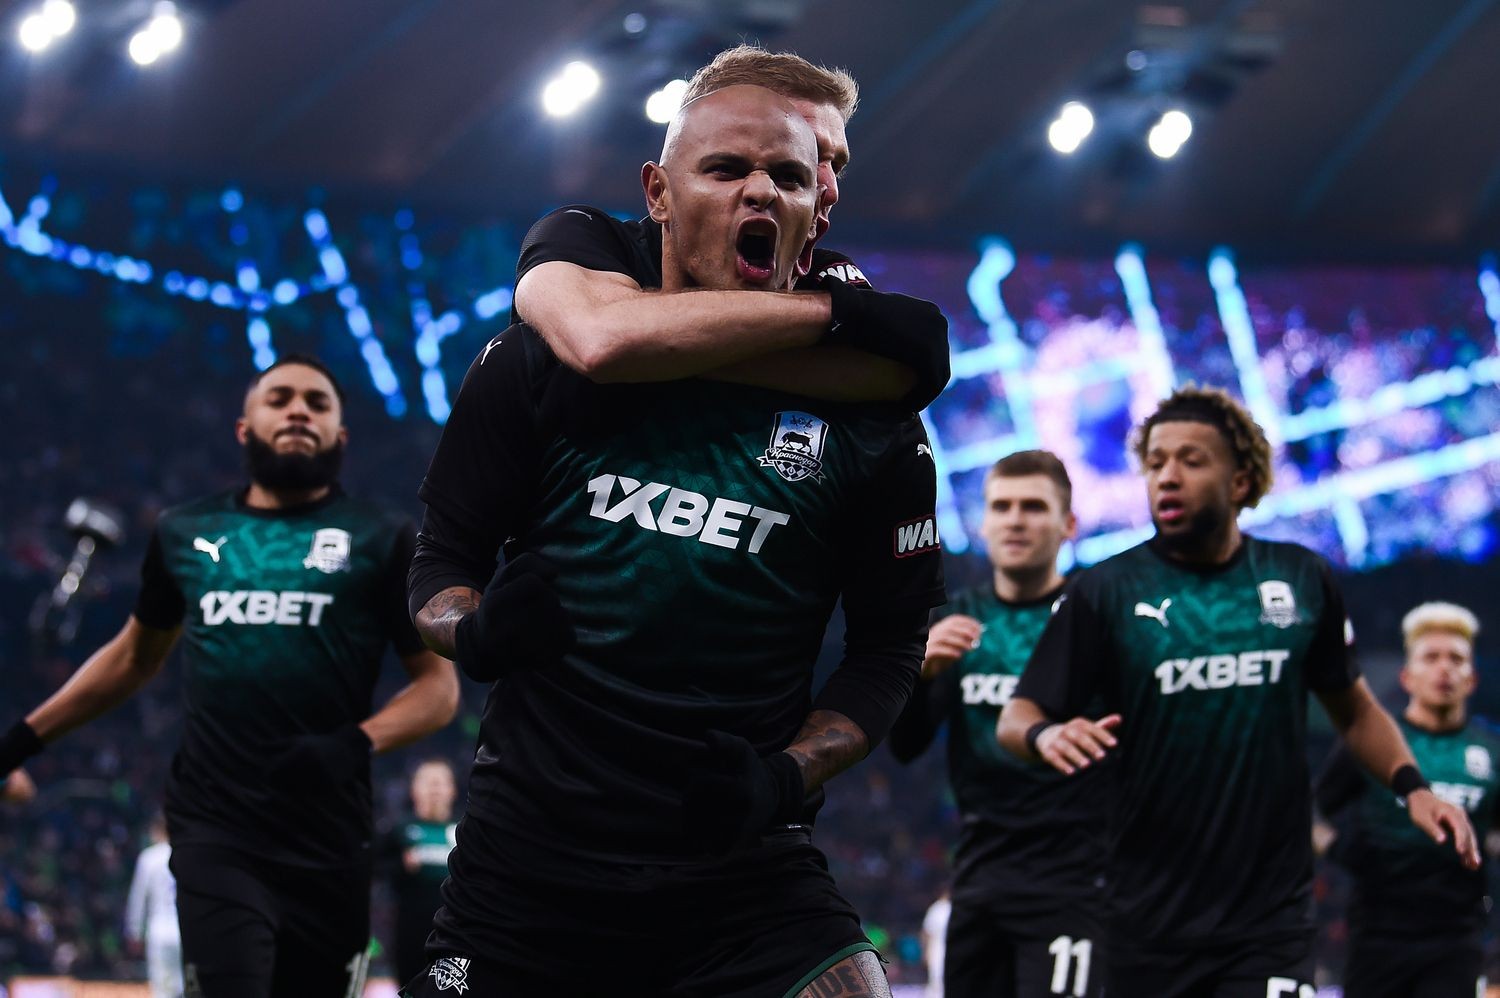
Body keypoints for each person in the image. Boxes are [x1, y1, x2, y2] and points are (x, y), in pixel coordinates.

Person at [403, 84, 944, 997]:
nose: (760, 191)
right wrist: (475, 630)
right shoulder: (542, 353)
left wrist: (785, 776)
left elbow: (891, 648)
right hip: (528, 868)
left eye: (789, 177)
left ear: (818, 211)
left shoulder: (873, 418)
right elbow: (440, 565)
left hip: (747, 874)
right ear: (657, 192)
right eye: (726, 169)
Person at [0, 355, 460, 998]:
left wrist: (354, 743)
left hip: (329, 839)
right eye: (280, 398)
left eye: (317, 403)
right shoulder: (185, 531)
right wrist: (18, 743)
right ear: (244, 428)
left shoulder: (381, 537)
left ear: (341, 436)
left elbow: (439, 689)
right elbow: (132, 658)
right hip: (215, 826)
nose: (298, 410)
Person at [997, 385, 1478, 998]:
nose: (1168, 477)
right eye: (1156, 463)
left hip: (1268, 922)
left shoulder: (1300, 578)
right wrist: (1046, 734)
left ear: (1241, 481)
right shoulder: (1105, 590)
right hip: (1142, 919)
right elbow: (1017, 716)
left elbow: (1354, 709)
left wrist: (1414, 788)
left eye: (1191, 460)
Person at [512, 44, 950, 410]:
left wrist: (657, 346)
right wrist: (830, 319)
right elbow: (601, 340)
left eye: (835, 165)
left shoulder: (824, 274)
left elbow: (915, 354)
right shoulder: (586, 238)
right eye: (809, 153)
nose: (829, 188)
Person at [891, 450, 1103, 998]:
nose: (1014, 520)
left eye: (1033, 506)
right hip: (980, 876)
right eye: (1001, 507)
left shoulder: (1099, 619)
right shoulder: (956, 621)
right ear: (983, 523)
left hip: (1076, 880)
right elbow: (906, 746)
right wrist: (919, 675)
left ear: (1069, 524)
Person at [1316, 601, 1500, 998]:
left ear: (1472, 678)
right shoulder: (1376, 745)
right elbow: (1314, 813)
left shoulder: (1492, 752)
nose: (1444, 669)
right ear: (1406, 676)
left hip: (1457, 936)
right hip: (1376, 933)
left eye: (1456, 659)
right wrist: (1337, 848)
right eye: (1431, 657)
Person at [385, 758, 459, 988]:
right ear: (414, 789)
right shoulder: (398, 830)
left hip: (456, 934)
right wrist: (401, 867)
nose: (434, 788)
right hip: (410, 933)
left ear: (452, 789)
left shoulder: (464, 831)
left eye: (440, 782)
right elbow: (378, 871)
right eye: (427, 781)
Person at [126, 814, 182, 998]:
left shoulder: (149, 858)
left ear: (157, 830)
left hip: (159, 933)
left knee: (163, 992)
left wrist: (134, 931)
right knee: (188, 989)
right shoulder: (186, 853)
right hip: (185, 931)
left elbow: (138, 898)